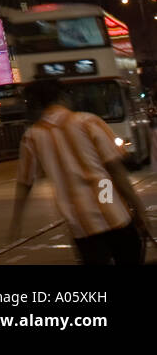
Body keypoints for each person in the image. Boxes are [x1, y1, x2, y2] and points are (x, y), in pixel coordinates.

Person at [10, 78, 152, 264]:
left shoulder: (32, 137)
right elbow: (115, 170)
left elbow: (24, 183)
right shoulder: (88, 121)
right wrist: (139, 210)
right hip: (114, 215)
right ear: (62, 96)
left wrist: (17, 220)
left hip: (81, 226)